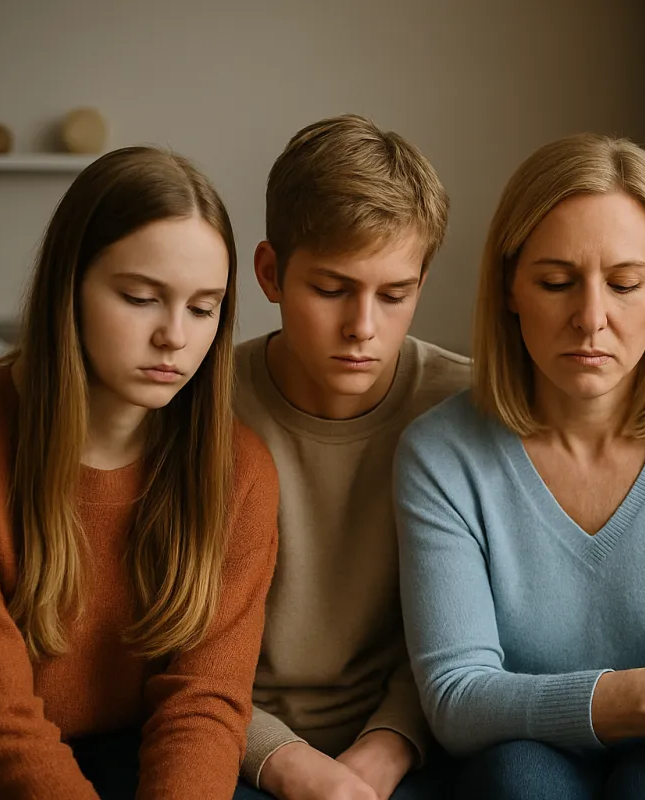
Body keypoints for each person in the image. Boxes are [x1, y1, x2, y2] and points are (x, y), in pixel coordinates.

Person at [394, 133, 645, 800]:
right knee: (518, 775)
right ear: (509, 288)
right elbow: (457, 700)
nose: (591, 319)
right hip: (516, 764)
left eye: (624, 283)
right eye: (556, 282)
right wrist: (638, 694)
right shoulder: (442, 454)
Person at [0, 146, 280, 800]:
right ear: (69, 288)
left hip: (139, 756)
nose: (174, 337)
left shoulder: (239, 470)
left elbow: (202, 705)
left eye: (204, 307)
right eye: (140, 298)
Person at [232, 115, 469, 800]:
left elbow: (477, 632)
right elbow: (163, 651)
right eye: (332, 290)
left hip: (413, 742)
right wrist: (286, 761)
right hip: (231, 737)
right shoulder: (197, 408)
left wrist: (389, 746)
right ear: (271, 274)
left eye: (395, 295)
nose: (363, 328)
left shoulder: (465, 406)